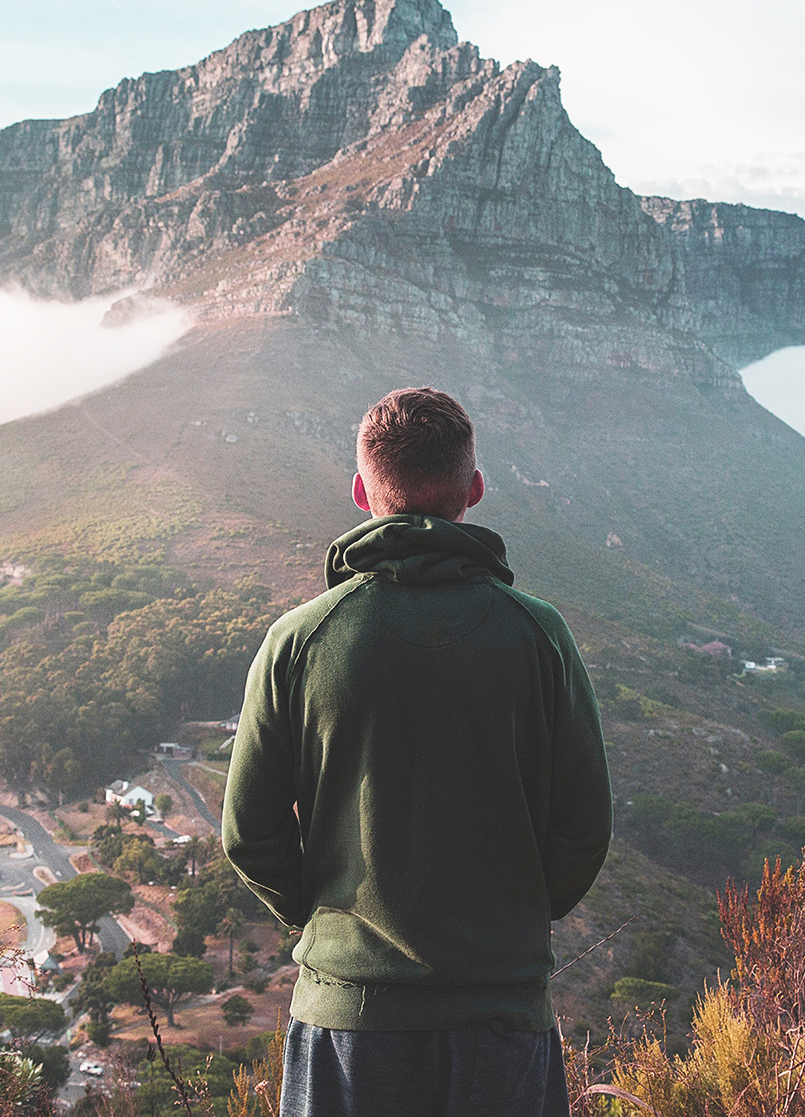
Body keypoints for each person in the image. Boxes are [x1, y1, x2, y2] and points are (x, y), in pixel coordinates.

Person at [223, 386, 613, 1117]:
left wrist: (326, 923)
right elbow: (586, 825)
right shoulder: (538, 635)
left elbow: (249, 835)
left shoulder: (300, 641)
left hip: (347, 1028)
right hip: (502, 1021)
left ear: (362, 490)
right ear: (474, 488)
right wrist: (517, 915)